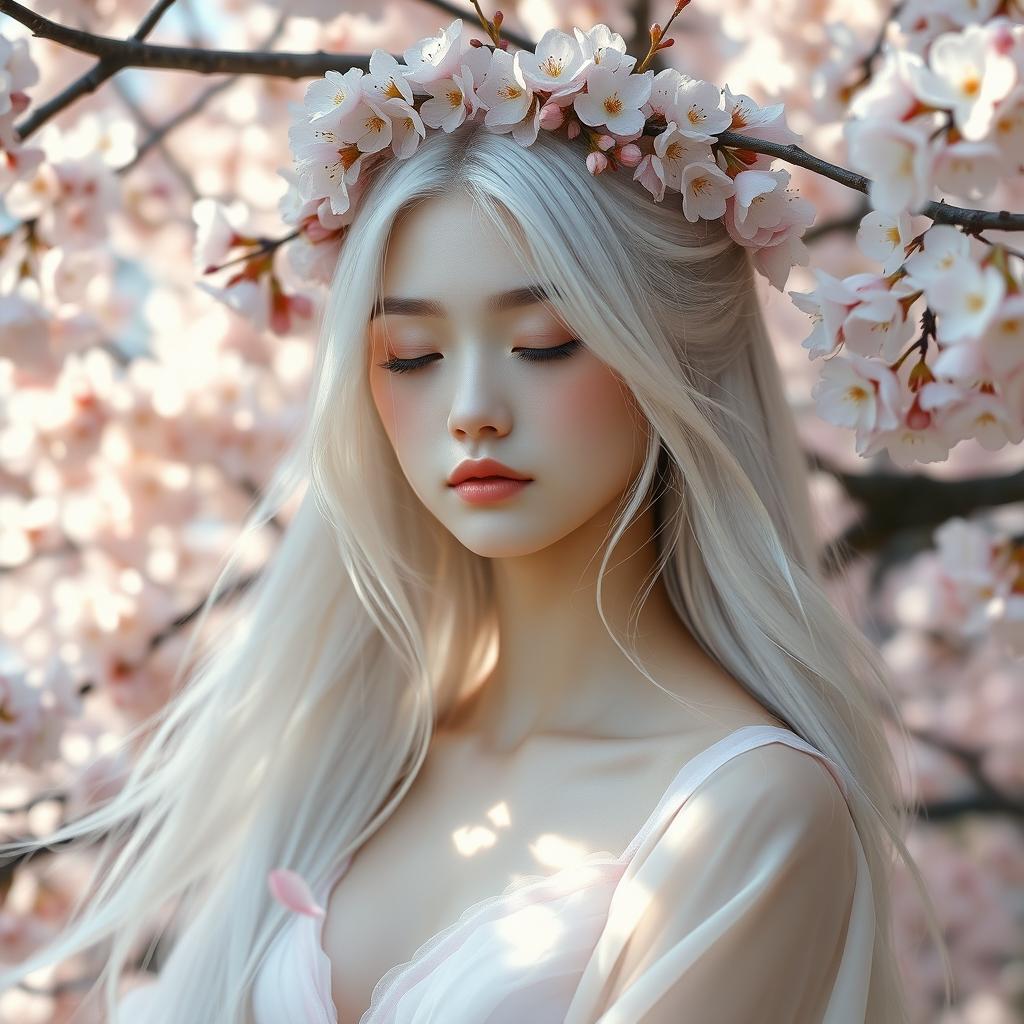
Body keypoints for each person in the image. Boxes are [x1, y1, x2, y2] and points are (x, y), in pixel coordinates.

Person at [0, 119, 950, 1024]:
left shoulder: (746, 814)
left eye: (542, 345)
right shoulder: (352, 754)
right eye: (409, 357)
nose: (472, 411)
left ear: (670, 354)